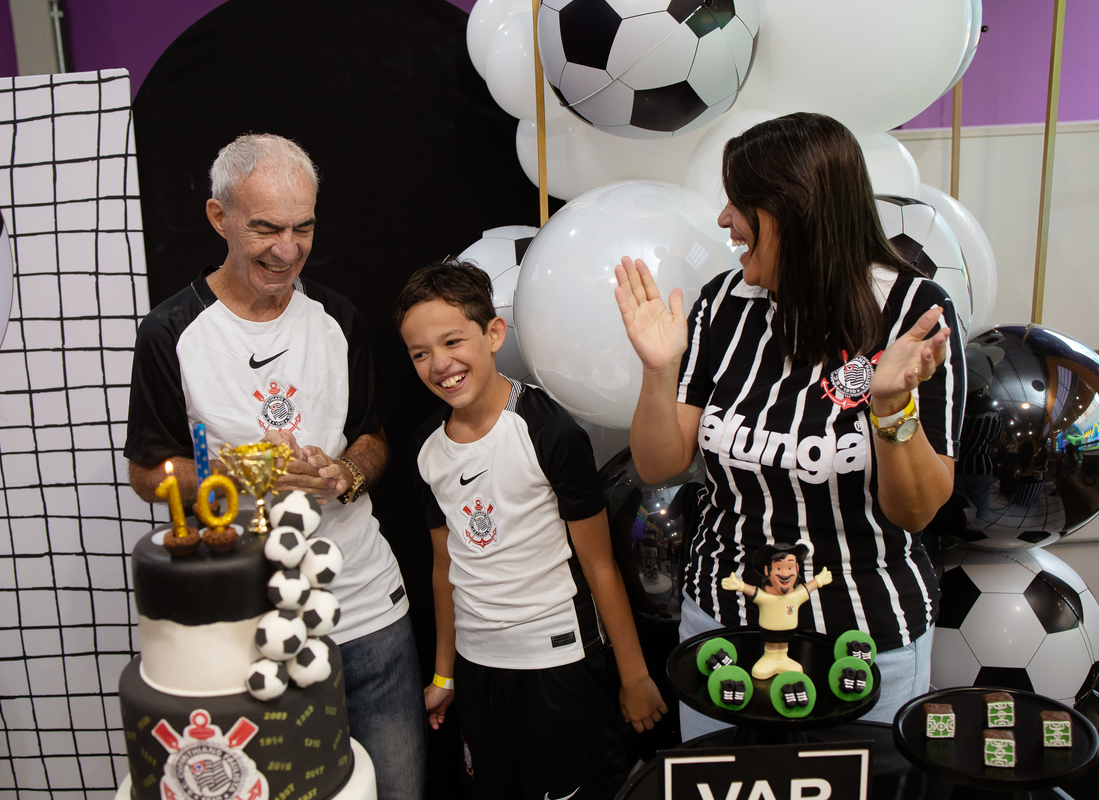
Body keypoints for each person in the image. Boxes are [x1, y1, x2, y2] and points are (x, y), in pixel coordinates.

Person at [615, 112, 965, 738]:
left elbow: (916, 511)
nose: (724, 219)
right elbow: (658, 464)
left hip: (864, 641)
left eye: (739, 202)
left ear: (794, 209)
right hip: (722, 628)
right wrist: (658, 370)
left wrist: (891, 410)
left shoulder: (914, 312)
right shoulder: (722, 304)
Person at [123, 133, 425, 798]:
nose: (287, 250)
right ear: (219, 217)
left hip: (366, 606)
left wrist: (343, 474)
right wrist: (232, 474)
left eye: (302, 228)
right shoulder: (171, 333)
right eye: (265, 228)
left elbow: (372, 438)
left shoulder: (338, 318)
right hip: (251, 625)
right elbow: (147, 474)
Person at [395, 260, 667, 799]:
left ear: (494, 334)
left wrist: (634, 676)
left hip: (557, 662)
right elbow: (444, 566)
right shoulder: (427, 447)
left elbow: (600, 565)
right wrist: (445, 674)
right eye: (419, 353)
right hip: (477, 666)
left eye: (452, 341)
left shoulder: (548, 430)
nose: (439, 364)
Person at [720, 543, 832, 679]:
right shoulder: (765, 598)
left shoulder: (796, 596)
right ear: (767, 571)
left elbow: (808, 588)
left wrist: (819, 580)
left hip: (789, 632)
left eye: (790, 567)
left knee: (784, 646)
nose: (785, 574)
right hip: (769, 633)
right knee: (772, 647)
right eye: (779, 568)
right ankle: (770, 659)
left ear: (797, 568)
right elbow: (754, 592)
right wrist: (740, 586)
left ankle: (783, 659)